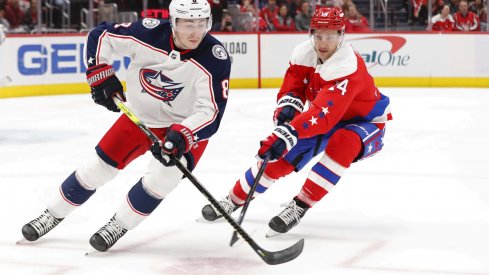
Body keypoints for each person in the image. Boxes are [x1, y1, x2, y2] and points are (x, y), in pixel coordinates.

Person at [19, 0, 231, 252]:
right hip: (140, 116)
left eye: (201, 24)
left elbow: (211, 112)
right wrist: (100, 73)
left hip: (185, 129)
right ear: (173, 23)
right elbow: (101, 35)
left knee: (161, 180)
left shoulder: (215, 57)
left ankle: (119, 224)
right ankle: (52, 214)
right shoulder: (147, 33)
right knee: (95, 169)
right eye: (188, 24)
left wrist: (183, 134)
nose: (196, 32)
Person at [201, 7, 392, 236]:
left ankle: (300, 205)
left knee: (342, 143)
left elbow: (323, 115)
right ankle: (233, 199)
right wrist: (286, 113)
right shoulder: (303, 53)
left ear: (341, 36)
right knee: (279, 157)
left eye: (330, 36)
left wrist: (287, 134)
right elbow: (292, 89)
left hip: (366, 122)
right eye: (318, 35)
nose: (323, 42)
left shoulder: (347, 66)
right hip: (326, 116)